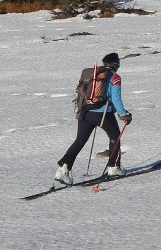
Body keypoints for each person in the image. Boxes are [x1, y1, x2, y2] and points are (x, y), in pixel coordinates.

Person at [56, 52, 132, 183]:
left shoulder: (93, 75)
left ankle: (63, 169)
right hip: (102, 113)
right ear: (116, 65)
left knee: (79, 140)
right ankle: (114, 167)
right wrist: (123, 114)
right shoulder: (115, 77)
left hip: (84, 112)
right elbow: (116, 98)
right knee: (115, 136)